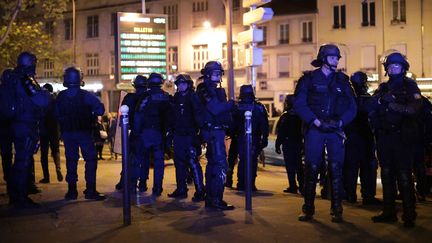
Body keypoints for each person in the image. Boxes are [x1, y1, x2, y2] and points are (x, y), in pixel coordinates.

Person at [293, 44, 357, 222]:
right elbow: (300, 104)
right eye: (333, 57)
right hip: (315, 128)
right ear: (323, 58)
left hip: (335, 129)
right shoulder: (308, 79)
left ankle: (337, 211)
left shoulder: (343, 81)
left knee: (336, 169)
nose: (336, 60)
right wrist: (315, 121)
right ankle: (308, 209)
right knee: (311, 168)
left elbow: (352, 106)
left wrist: (341, 122)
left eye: (337, 57)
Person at [368, 51, 422, 227]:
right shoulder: (383, 88)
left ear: (403, 67)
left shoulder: (410, 85)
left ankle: (409, 214)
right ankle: (389, 212)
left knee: (405, 176)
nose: (392, 68)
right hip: (385, 138)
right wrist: (377, 107)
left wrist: (392, 105)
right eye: (390, 66)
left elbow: (414, 109)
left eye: (396, 65)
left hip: (402, 137)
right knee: (386, 175)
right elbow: (371, 107)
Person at [2, 52, 50, 208]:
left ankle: (15, 194)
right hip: (25, 124)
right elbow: (41, 100)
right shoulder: (26, 79)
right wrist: (45, 93)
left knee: (18, 161)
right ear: (31, 63)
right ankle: (21, 197)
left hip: (15, 124)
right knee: (23, 161)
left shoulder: (12, 78)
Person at [55, 66, 105, 201]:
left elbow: (55, 113)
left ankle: (71, 191)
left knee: (71, 161)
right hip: (84, 132)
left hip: (68, 133)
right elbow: (100, 109)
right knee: (91, 159)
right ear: (79, 78)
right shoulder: (86, 95)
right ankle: (90, 190)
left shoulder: (61, 96)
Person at [196, 61, 235, 210]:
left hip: (216, 131)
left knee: (214, 165)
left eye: (219, 73)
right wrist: (231, 104)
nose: (218, 76)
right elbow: (216, 109)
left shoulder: (213, 90)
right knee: (219, 166)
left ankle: (212, 199)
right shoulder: (205, 90)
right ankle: (215, 200)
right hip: (212, 132)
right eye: (215, 73)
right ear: (207, 74)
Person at [343, 71, 380, 205]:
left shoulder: (348, 98)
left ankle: (351, 194)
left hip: (355, 136)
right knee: (365, 167)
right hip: (361, 136)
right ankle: (366, 195)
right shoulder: (362, 98)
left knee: (353, 167)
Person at [167, 73, 205, 201]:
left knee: (193, 164)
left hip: (190, 136)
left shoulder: (193, 97)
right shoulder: (176, 98)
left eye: (183, 83)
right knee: (179, 164)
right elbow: (172, 118)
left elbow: (199, 116)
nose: (181, 86)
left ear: (188, 84)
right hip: (178, 136)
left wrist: (199, 135)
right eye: (179, 84)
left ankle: (200, 191)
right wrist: (170, 134)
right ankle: (181, 189)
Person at [133, 73, 171, 196]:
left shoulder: (145, 96)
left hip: (145, 133)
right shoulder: (166, 96)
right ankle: (157, 188)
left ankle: (141, 183)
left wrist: (137, 132)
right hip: (159, 134)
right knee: (159, 162)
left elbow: (138, 115)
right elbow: (171, 116)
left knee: (141, 159)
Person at [115, 75, 149, 192]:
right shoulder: (149, 97)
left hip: (134, 133)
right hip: (147, 133)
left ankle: (130, 183)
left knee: (131, 158)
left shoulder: (129, 98)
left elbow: (123, 118)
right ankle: (143, 183)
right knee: (144, 159)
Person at [232, 84, 269, 191]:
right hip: (244, 137)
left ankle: (245, 183)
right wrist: (265, 137)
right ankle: (246, 183)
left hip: (249, 137)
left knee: (246, 161)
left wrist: (265, 137)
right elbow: (264, 124)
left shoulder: (255, 107)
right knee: (248, 161)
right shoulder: (255, 107)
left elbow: (264, 124)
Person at [275, 94, 304, 194]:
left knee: (291, 166)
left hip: (289, 144)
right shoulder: (301, 116)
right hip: (298, 143)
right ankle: (302, 186)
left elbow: (281, 132)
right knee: (299, 166)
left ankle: (293, 186)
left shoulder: (286, 116)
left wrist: (278, 144)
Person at [39, 83, 63, 183]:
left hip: (44, 129)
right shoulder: (56, 100)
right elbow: (60, 115)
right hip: (55, 128)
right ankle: (58, 168)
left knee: (44, 154)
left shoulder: (42, 101)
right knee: (56, 151)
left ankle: (46, 177)